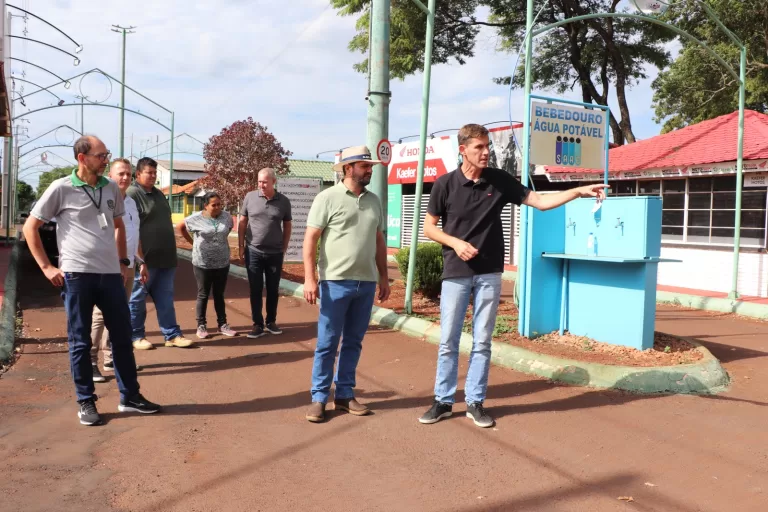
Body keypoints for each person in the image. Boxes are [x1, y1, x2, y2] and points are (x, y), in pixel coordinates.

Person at [418, 124, 608, 428]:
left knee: (482, 341)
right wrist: (455, 243)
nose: (485, 152)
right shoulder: (445, 185)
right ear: (462, 149)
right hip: (456, 272)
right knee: (448, 340)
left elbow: (541, 202)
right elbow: (429, 228)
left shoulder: (500, 180)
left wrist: (577, 191)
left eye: (487, 146)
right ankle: (442, 400)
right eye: (478, 147)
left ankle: (475, 402)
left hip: (489, 274)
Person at [23, 135, 161, 426]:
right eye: (101, 155)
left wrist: (124, 262)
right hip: (77, 276)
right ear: (82, 158)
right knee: (80, 342)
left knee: (122, 338)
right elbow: (30, 227)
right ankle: (86, 401)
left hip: (110, 275)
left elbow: (119, 225)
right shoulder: (60, 188)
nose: (106, 159)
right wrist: (47, 267)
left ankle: (130, 397)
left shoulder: (110, 187)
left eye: (106, 154)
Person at [302, 145, 390, 423]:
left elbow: (378, 239)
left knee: (353, 342)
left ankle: (344, 395)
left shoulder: (374, 200)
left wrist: (384, 276)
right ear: (348, 168)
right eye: (365, 166)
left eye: (371, 166)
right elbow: (311, 239)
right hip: (334, 282)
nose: (370, 170)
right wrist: (309, 278)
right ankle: (318, 398)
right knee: (327, 343)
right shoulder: (326, 198)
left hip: (365, 283)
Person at [90, 158, 149, 382]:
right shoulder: (102, 200)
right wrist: (117, 262)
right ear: (110, 176)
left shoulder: (131, 203)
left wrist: (141, 261)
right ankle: (90, 361)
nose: (125, 177)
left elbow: (135, 236)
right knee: (99, 315)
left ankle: (110, 358)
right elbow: (103, 235)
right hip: (108, 266)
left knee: (118, 314)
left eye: (128, 174)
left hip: (129, 266)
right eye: (120, 173)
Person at [127, 157, 193, 349]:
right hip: (145, 260)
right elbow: (131, 229)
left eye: (155, 173)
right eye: (149, 172)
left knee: (165, 300)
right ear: (138, 174)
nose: (153, 176)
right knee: (137, 300)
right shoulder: (132, 194)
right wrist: (140, 260)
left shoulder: (157, 194)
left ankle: (171, 335)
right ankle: (136, 336)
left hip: (165, 258)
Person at [238, 168, 292, 339]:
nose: (261, 185)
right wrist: (240, 245)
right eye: (259, 182)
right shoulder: (250, 197)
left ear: (273, 182)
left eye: (265, 182)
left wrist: (284, 246)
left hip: (275, 253)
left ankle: (271, 321)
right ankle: (257, 324)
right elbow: (242, 222)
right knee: (255, 289)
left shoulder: (283, 201)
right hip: (253, 251)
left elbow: (288, 225)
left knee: (273, 289)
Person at [177, 192, 237, 339]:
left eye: (219, 204)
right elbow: (180, 227)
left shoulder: (226, 216)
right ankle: (201, 325)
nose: (217, 207)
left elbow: (227, 229)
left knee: (219, 294)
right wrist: (192, 242)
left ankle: (223, 324)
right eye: (213, 205)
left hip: (222, 262)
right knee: (203, 294)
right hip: (202, 263)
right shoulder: (195, 218)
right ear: (205, 205)